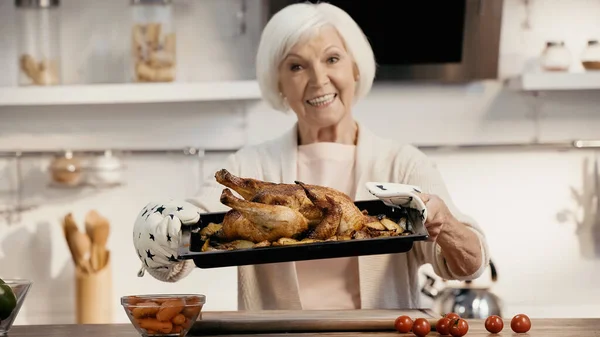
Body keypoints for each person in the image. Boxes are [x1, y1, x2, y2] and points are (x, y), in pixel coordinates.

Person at [132, 2, 490, 311]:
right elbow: (178, 256)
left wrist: (448, 227)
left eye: (332, 59)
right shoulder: (250, 166)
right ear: (279, 85)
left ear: (354, 69)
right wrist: (158, 230)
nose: (319, 79)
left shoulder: (402, 164)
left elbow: (468, 266)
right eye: (296, 67)